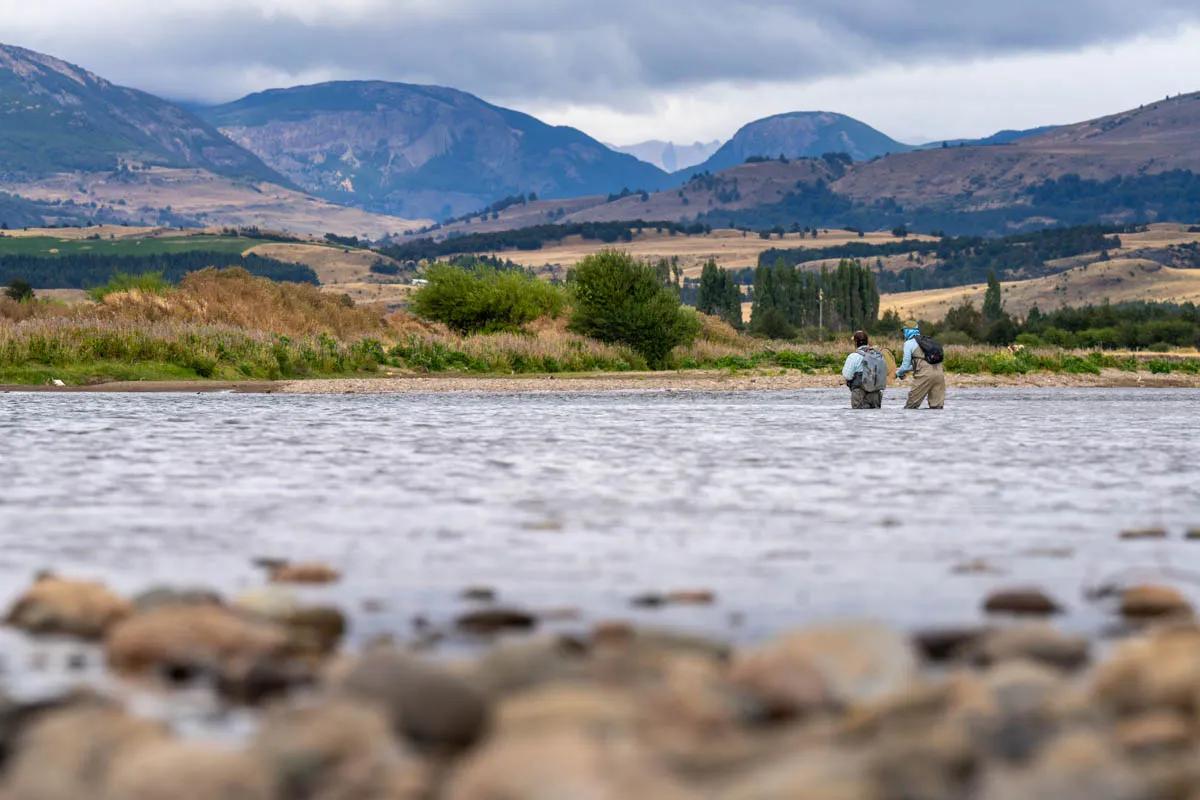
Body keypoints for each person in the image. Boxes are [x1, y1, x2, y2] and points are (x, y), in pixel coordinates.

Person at [896, 321, 945, 409]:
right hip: (939, 374)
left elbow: (905, 366)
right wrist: (906, 370)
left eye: (904, 331)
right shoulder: (929, 341)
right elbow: (922, 363)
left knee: (910, 407)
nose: (903, 334)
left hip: (924, 375)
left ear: (908, 331)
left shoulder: (909, 343)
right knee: (937, 408)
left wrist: (897, 373)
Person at [841, 330, 886, 409]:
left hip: (859, 393)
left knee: (859, 418)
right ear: (867, 341)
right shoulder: (877, 355)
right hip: (876, 393)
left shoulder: (853, 356)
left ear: (855, 342)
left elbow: (847, 375)